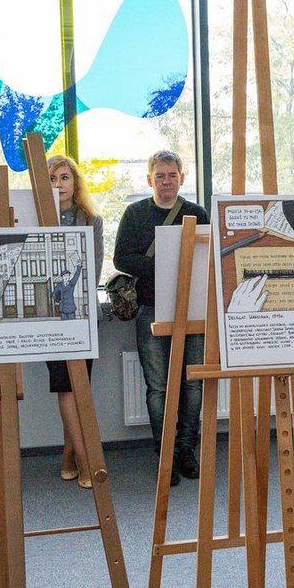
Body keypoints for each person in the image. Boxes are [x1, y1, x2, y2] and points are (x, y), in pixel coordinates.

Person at [113, 150, 209, 486]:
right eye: (160, 176)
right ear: (149, 179)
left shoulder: (197, 213)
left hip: (193, 308)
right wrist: (165, 263)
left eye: (172, 175)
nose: (166, 182)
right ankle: (164, 453)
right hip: (150, 308)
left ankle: (186, 449)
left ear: (182, 178)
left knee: (193, 382)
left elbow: (207, 256)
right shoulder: (135, 214)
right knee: (158, 387)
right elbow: (121, 258)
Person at [45, 153, 104, 488]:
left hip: (83, 316)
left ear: (75, 182)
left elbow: (92, 269)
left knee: (81, 387)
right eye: (52, 179)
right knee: (66, 386)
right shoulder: (35, 218)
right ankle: (85, 460)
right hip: (50, 320)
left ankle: (68, 453)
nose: (59, 185)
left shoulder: (91, 219)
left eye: (64, 178)